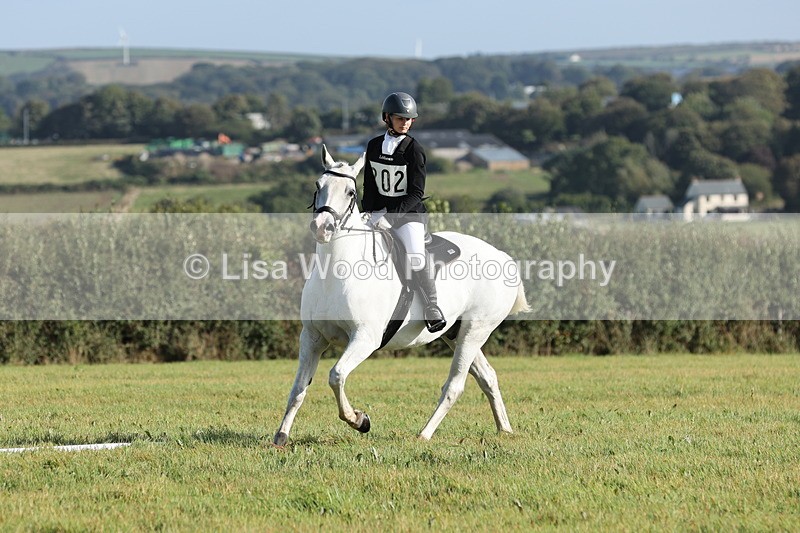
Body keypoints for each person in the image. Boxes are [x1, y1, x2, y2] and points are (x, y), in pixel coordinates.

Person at [362, 91, 446, 333]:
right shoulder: (374, 145)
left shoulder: (414, 149)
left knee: (416, 254)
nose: (405, 123)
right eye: (400, 118)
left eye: (409, 119)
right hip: (378, 213)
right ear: (387, 118)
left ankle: (432, 307)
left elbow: (416, 193)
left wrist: (391, 216)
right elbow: (370, 185)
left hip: (409, 215)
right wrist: (368, 213)